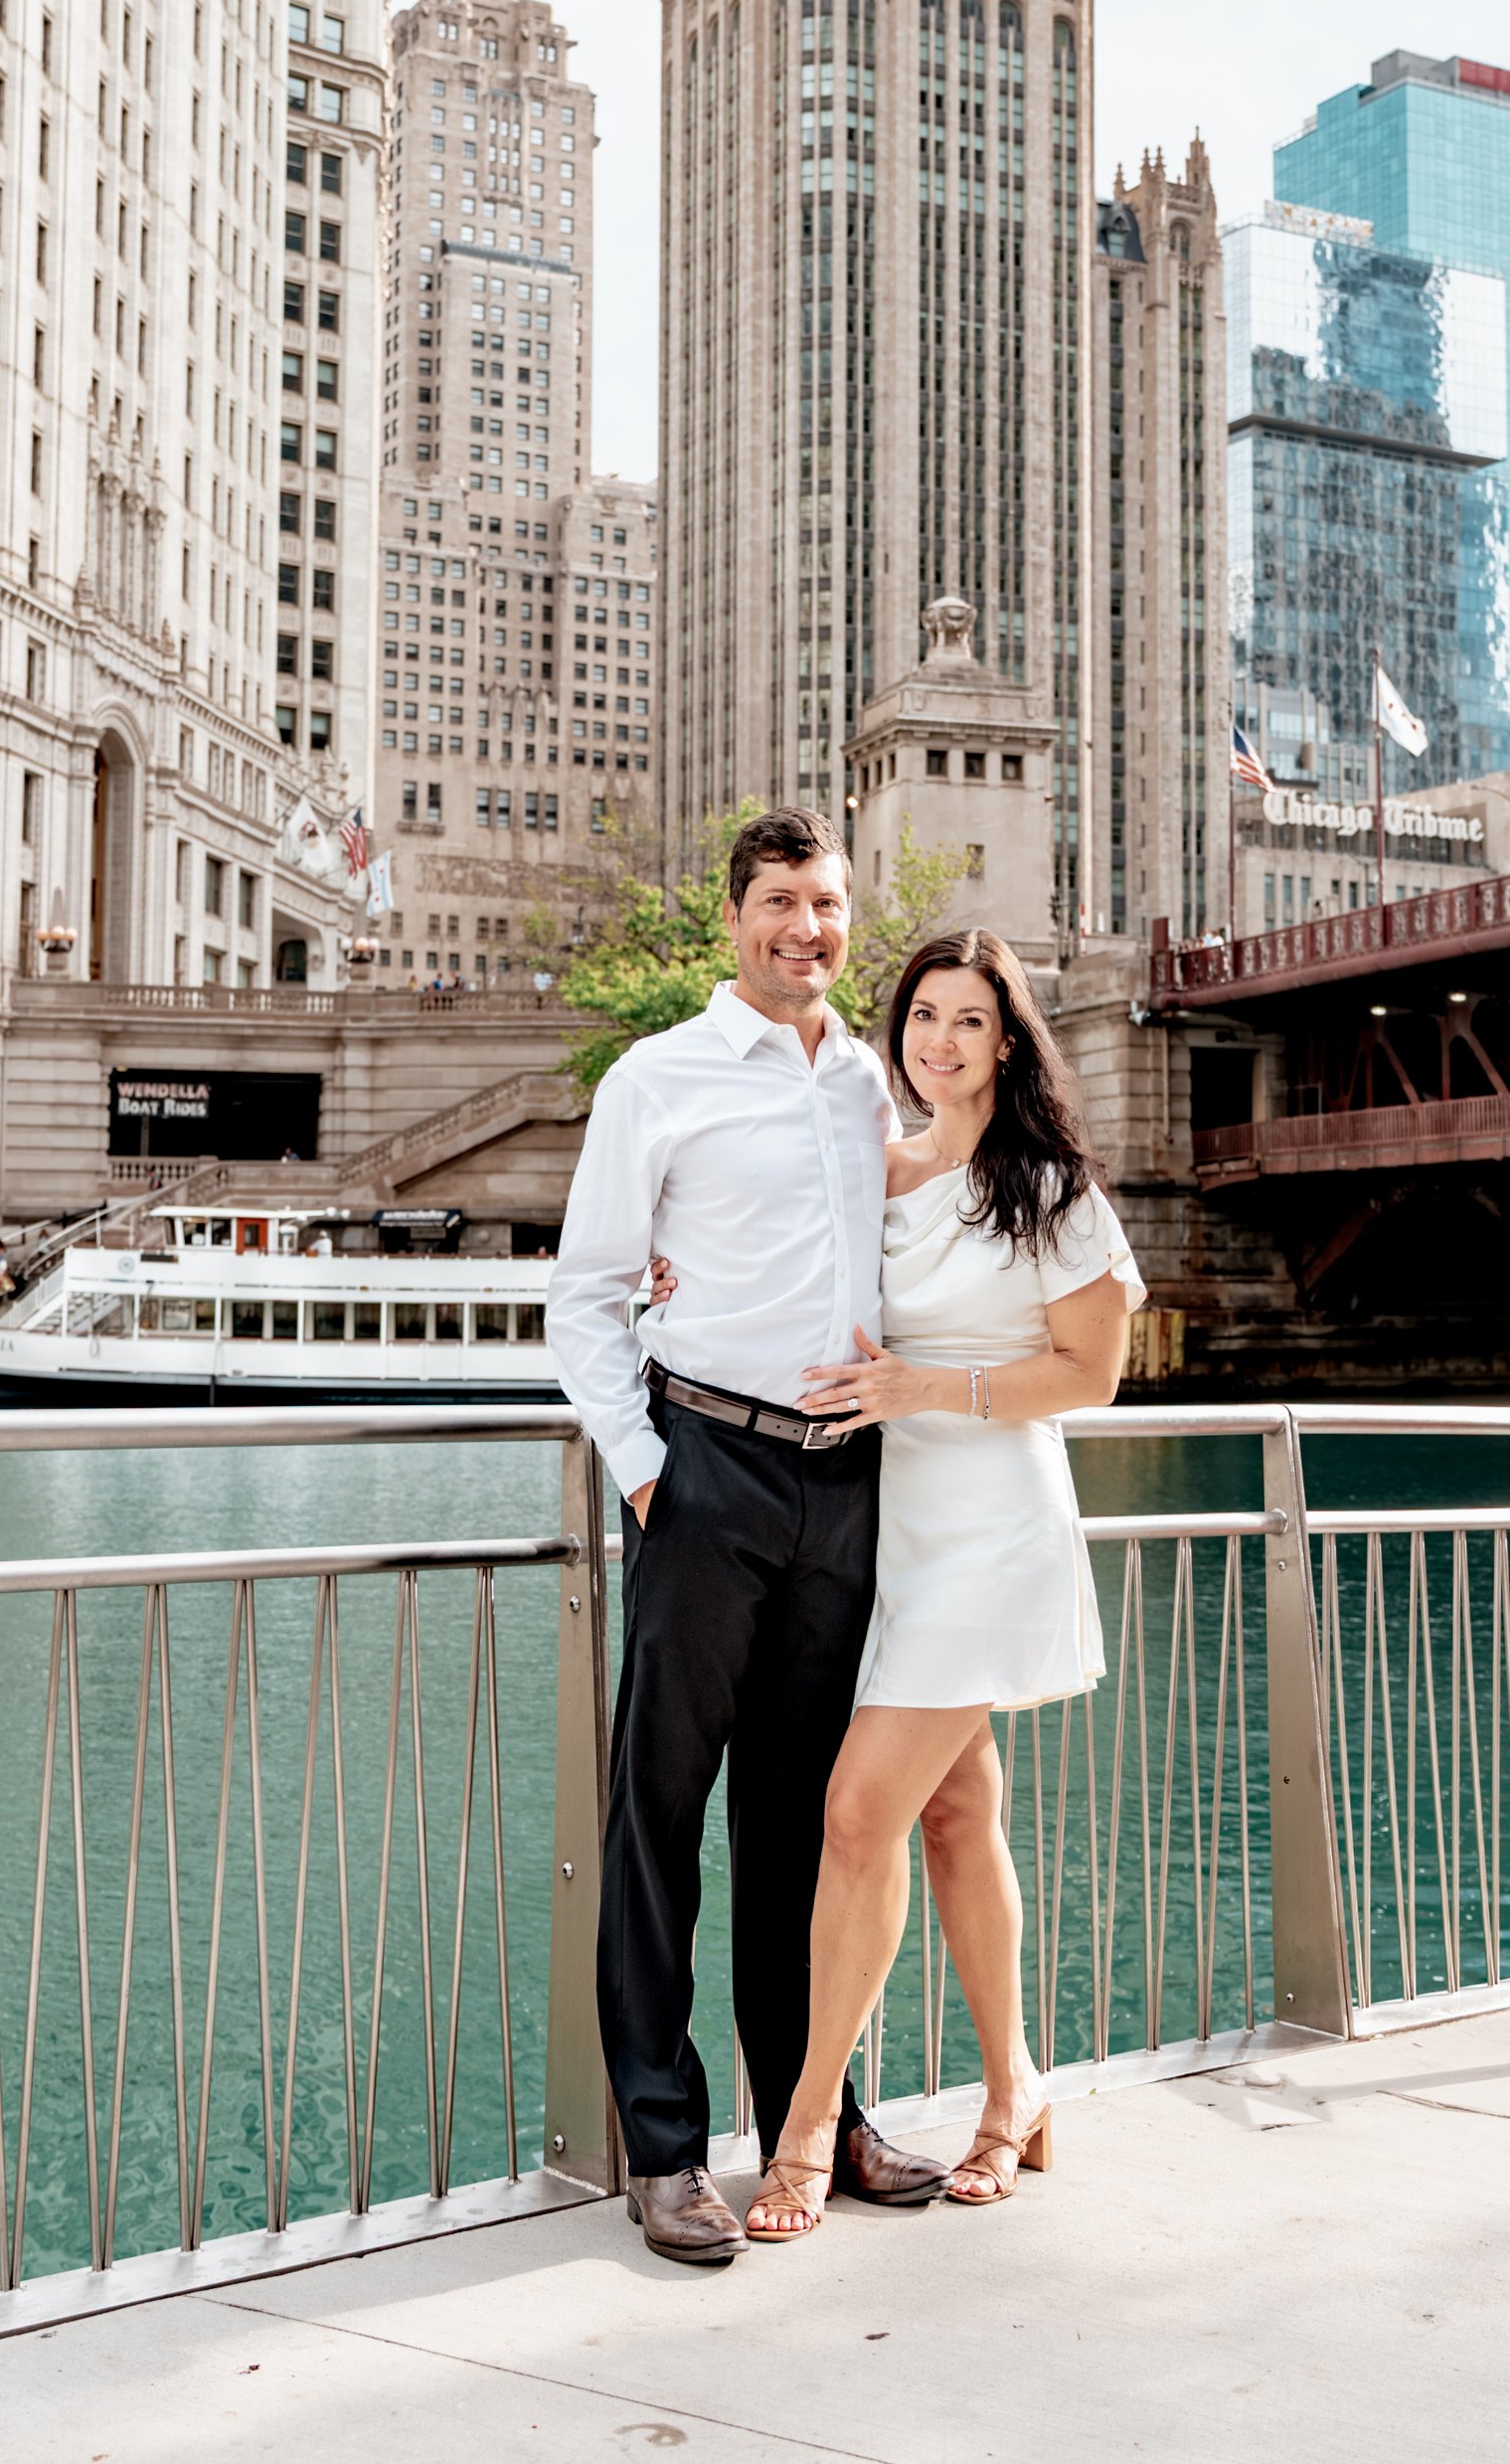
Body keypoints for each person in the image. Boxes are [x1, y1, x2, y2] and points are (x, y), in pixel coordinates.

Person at [651, 929, 1140, 2241]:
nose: (941, 1040)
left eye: (971, 1020)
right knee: (957, 1814)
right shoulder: (875, 1167)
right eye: (924, 1015)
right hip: (884, 1530)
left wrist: (934, 1389)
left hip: (990, 1526)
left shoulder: (1048, 1187)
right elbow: (757, 1246)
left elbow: (1091, 1374)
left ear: (1006, 1040)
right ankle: (1014, 2091)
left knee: (860, 1813)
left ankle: (804, 2126)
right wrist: (664, 1277)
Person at [547, 808, 949, 2269]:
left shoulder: (866, 1086)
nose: (809, 929)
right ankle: (663, 2149)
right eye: (782, 902)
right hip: (706, 1467)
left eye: (830, 906)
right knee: (659, 1823)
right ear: (735, 918)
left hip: (846, 1485)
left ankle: (815, 2119)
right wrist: (652, 1473)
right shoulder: (657, 1078)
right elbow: (586, 1297)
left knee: (812, 1831)